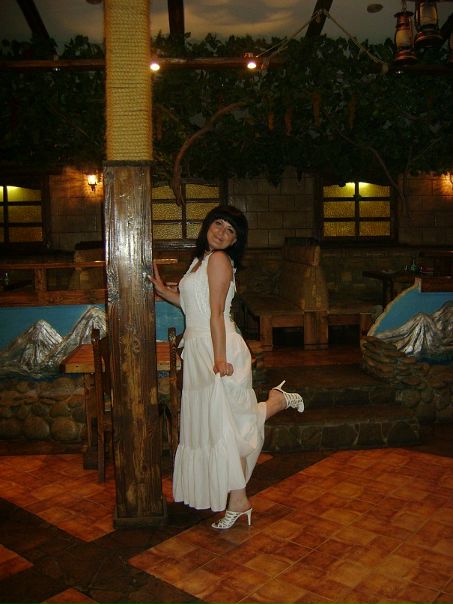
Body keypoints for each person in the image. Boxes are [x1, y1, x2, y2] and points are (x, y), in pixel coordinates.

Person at [149, 205, 304, 530]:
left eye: (230, 230)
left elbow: (216, 313)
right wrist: (165, 293)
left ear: (235, 240)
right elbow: (194, 306)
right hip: (200, 348)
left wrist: (219, 359)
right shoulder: (201, 260)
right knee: (219, 428)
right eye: (218, 224)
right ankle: (239, 500)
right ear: (208, 225)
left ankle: (276, 402)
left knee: (227, 427)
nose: (221, 232)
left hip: (218, 348)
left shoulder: (219, 259)